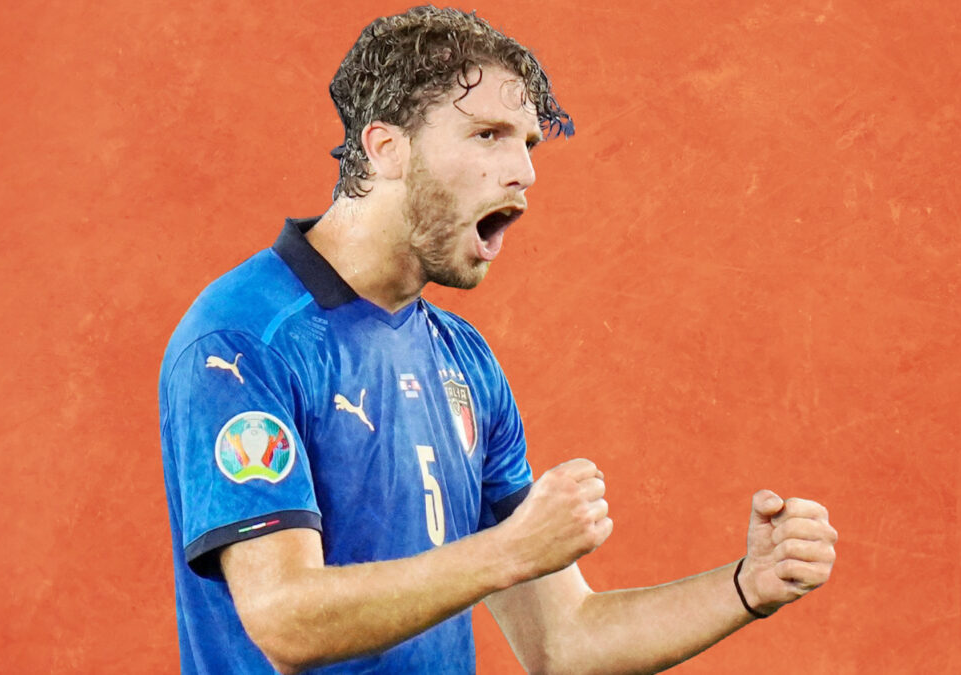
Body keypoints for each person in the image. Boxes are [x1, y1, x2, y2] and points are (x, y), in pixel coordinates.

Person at [158, 7, 838, 674]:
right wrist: (509, 549)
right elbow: (284, 618)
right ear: (386, 148)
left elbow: (564, 642)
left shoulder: (463, 362)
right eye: (487, 135)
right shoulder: (245, 336)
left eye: (527, 143)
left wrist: (747, 584)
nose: (524, 170)